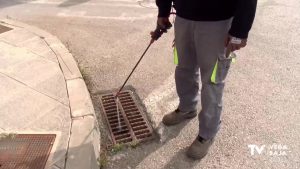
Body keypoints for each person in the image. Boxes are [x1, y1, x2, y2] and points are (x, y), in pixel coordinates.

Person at [153, 0, 257, 160]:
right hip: (183, 17)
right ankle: (187, 107)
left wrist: (240, 30)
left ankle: (208, 132)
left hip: (218, 21)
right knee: (183, 68)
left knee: (212, 80)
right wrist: (163, 10)